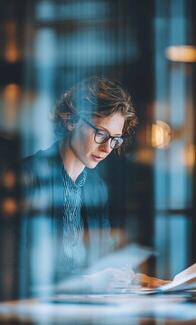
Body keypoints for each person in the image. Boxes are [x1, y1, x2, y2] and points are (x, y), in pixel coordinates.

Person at [3, 76, 169, 297]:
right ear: (71, 121)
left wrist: (131, 279)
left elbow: (98, 262)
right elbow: (16, 272)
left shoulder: (96, 186)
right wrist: (91, 281)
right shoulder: (29, 176)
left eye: (115, 139)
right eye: (100, 133)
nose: (107, 148)